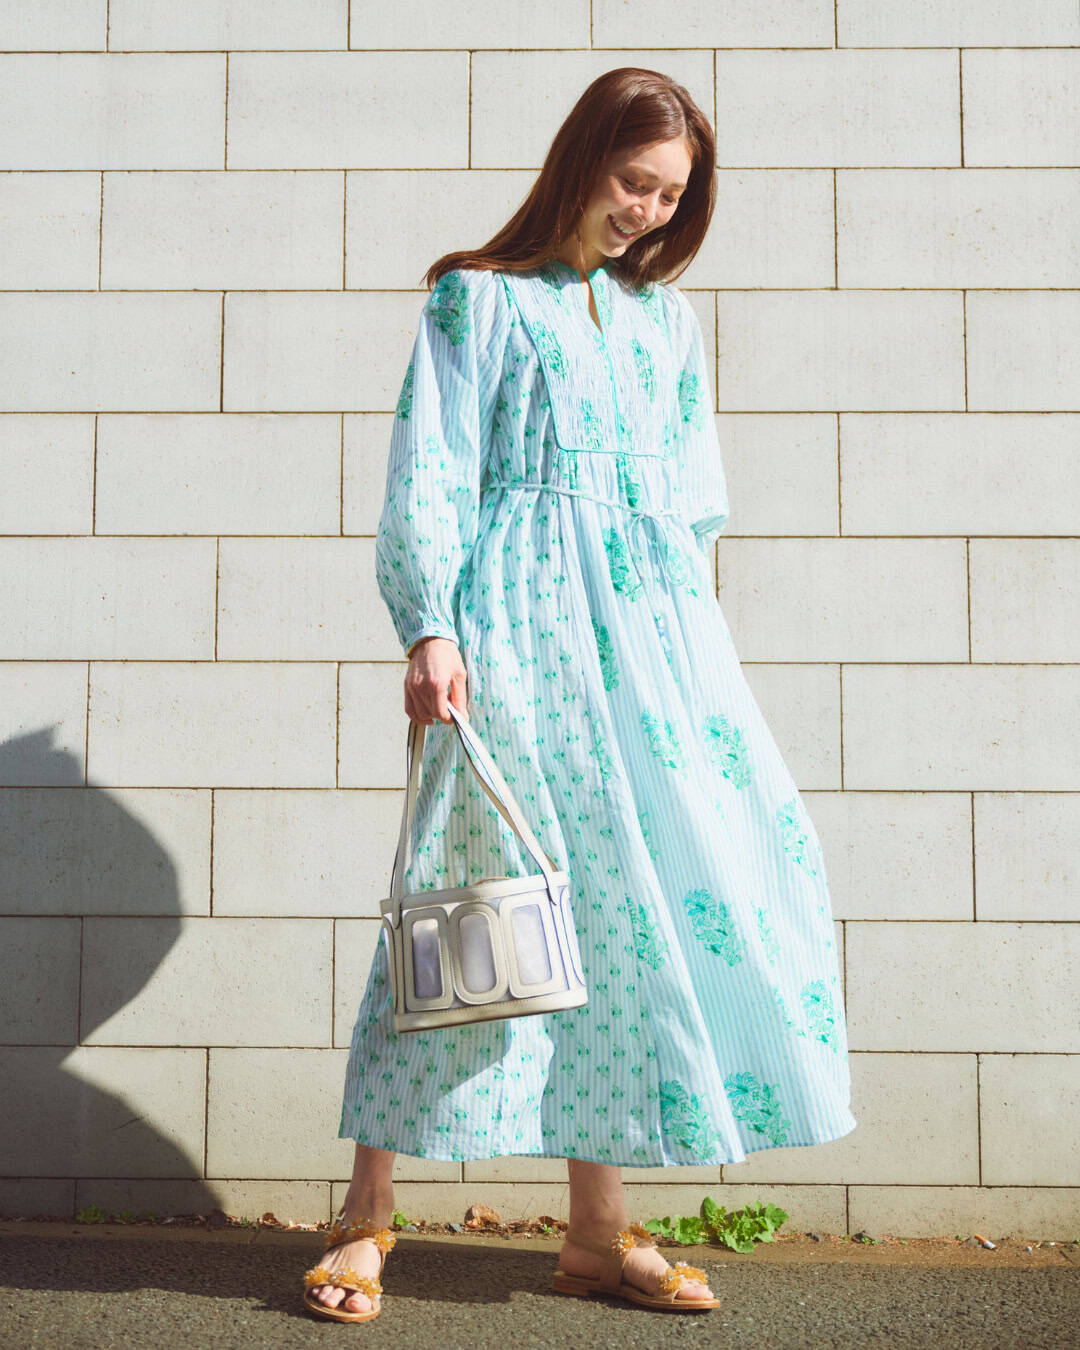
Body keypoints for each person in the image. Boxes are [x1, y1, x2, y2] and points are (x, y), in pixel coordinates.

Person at [303, 66, 856, 1324]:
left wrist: (689, 648)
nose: (646, 212)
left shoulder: (666, 323)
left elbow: (693, 502)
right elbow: (433, 468)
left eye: (669, 196)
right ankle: (367, 1213)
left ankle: (598, 1233)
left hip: (654, 642)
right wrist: (430, 625)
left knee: (632, 907)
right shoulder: (478, 298)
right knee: (463, 900)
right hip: (513, 631)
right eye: (631, 182)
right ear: (581, 161)